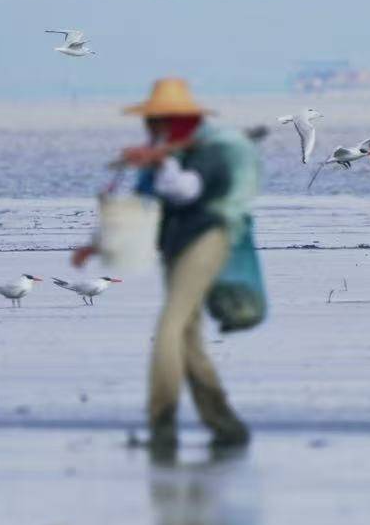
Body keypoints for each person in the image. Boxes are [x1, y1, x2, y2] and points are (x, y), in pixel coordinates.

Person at [74, 77, 255, 451]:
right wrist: (95, 244)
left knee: (169, 327)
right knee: (187, 338)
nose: (150, 127)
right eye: (149, 120)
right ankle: (225, 425)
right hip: (174, 243)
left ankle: (162, 425)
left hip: (206, 240)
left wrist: (163, 160)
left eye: (157, 120)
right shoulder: (160, 151)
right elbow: (137, 203)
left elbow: (187, 191)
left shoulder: (210, 149)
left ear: (175, 120)